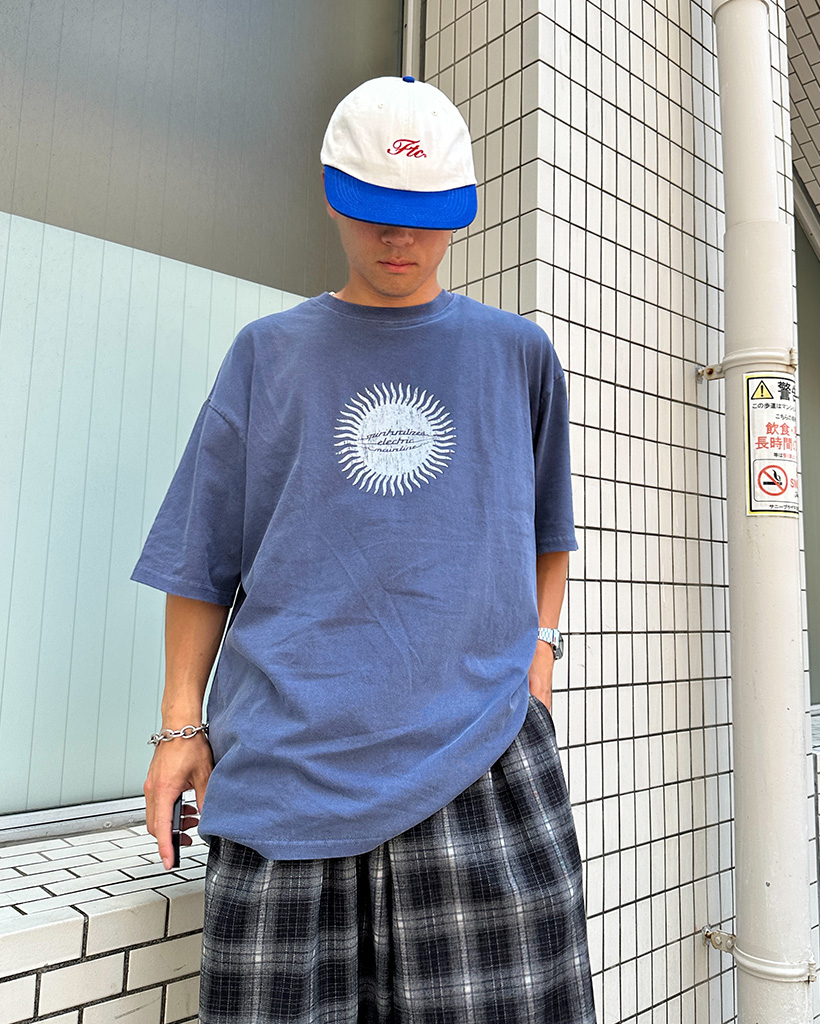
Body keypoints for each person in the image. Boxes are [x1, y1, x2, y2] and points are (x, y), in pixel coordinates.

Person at [134, 75, 596, 1024]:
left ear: (459, 212)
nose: (399, 240)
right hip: (285, 778)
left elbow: (549, 531)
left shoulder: (518, 355)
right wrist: (182, 725)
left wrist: (539, 656)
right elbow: (201, 556)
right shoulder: (267, 353)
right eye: (377, 212)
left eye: (425, 218)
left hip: (482, 766)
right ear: (332, 195)